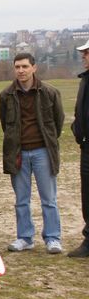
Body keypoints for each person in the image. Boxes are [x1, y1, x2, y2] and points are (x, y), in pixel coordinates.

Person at [0, 53, 64, 254]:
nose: (21, 70)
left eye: (25, 66)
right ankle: (25, 237)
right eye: (17, 67)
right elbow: (6, 125)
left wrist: (47, 141)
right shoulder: (6, 95)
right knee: (21, 200)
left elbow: (58, 121)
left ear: (34, 68)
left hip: (43, 152)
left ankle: (53, 238)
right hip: (19, 153)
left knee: (49, 199)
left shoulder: (50, 92)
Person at [69, 41, 89, 258]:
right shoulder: (85, 79)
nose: (84, 56)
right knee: (87, 195)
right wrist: (77, 130)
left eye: (87, 53)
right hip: (86, 147)